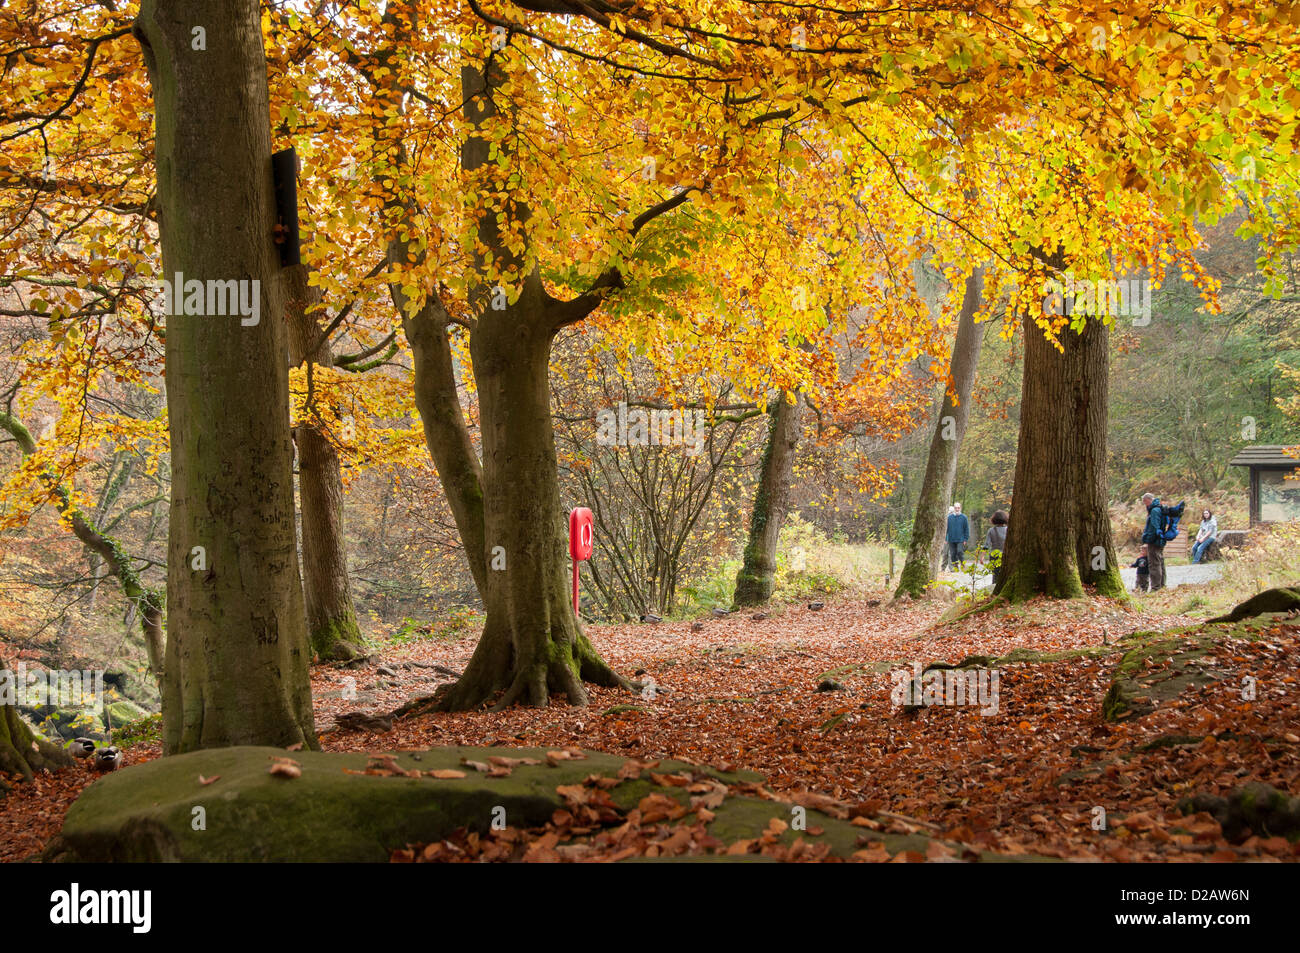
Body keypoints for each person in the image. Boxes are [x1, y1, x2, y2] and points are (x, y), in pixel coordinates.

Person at [1140, 493, 1166, 591]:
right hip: (1160, 539)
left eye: (1145, 502)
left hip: (1155, 540)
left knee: (1154, 564)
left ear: (1148, 500)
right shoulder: (1159, 508)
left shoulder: (1154, 510)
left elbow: (1154, 527)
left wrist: (1148, 539)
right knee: (1160, 562)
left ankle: (1156, 587)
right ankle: (1162, 585)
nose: (1145, 505)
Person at [983, 510, 1008, 586]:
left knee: (995, 574)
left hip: (994, 555)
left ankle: (994, 588)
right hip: (1006, 555)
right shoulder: (1008, 529)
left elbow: (986, 544)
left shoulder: (991, 530)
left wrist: (982, 556)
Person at [946, 502, 970, 569]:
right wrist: (946, 538)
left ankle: (962, 563)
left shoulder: (964, 517)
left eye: (958, 508)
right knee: (953, 553)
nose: (957, 509)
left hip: (960, 539)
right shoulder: (949, 518)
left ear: (960, 508)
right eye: (956, 508)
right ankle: (955, 565)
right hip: (951, 538)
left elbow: (966, 529)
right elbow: (946, 529)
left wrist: (965, 539)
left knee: (959, 551)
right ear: (954, 508)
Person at [941, 505, 955, 570]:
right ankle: (943, 568)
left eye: (952, 512)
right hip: (946, 540)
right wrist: (945, 539)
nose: (951, 513)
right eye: (950, 512)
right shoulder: (945, 520)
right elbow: (944, 531)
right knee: (945, 554)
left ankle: (951, 568)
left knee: (951, 554)